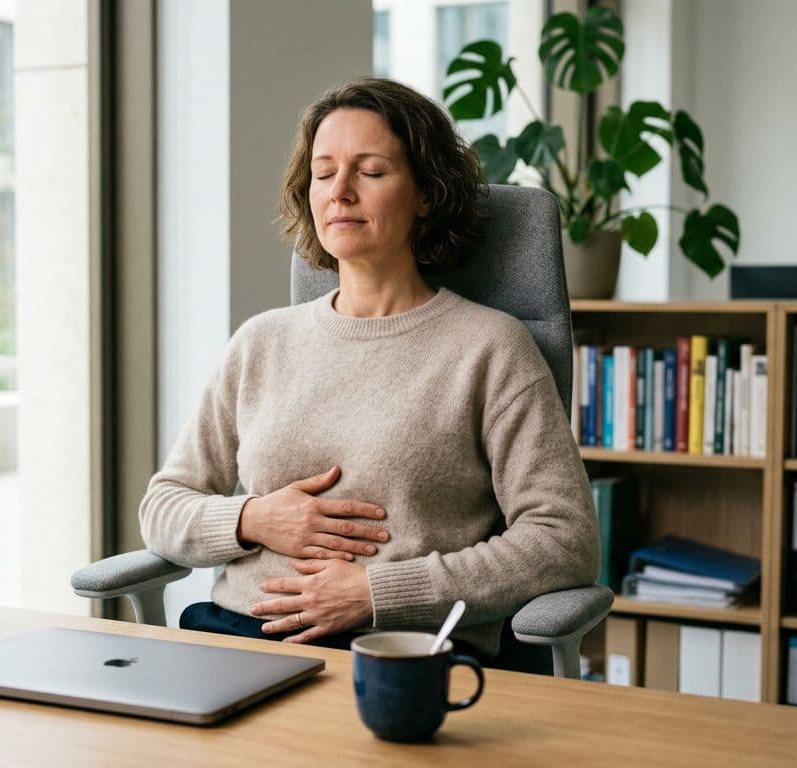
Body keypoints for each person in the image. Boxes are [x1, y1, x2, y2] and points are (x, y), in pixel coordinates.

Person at [139, 77, 597, 662]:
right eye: (324, 173)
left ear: (426, 193)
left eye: (371, 172)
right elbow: (163, 506)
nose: (341, 193)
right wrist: (253, 518)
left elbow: (563, 540)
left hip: (404, 653)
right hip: (237, 642)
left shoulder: (490, 348)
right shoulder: (260, 342)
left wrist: (380, 592)